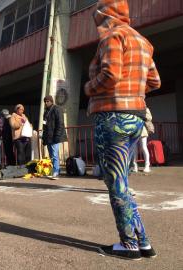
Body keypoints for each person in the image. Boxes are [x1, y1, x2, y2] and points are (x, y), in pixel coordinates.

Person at [84, 0, 160, 260]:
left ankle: (129, 245)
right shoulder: (142, 41)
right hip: (135, 117)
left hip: (112, 118)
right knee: (122, 182)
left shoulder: (112, 37)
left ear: (105, 16)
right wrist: (133, 92)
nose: (97, 24)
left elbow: (111, 75)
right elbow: (154, 81)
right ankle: (144, 242)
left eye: (97, 18)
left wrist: (88, 88)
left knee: (115, 182)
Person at [42, 95, 67, 180]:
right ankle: (55, 171)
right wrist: (43, 137)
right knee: (51, 155)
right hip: (48, 136)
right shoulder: (46, 111)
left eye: (47, 101)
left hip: (54, 136)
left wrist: (57, 136)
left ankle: (56, 171)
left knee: (54, 154)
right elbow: (44, 125)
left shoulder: (57, 109)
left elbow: (60, 123)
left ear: (51, 101)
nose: (46, 103)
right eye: (45, 101)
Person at [132, 107, 154, 173]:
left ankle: (147, 166)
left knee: (144, 147)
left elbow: (149, 118)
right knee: (134, 149)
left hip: (142, 130)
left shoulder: (145, 108)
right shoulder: (132, 108)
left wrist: (141, 115)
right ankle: (135, 166)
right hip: (134, 130)